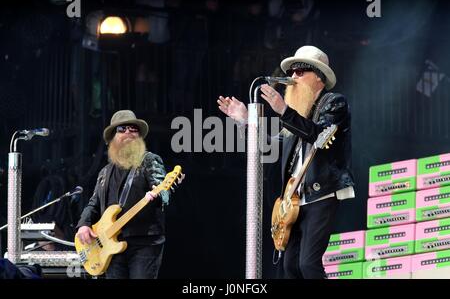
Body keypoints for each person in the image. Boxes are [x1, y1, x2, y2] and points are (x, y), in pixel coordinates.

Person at [217, 46, 354, 279]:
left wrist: (283, 110)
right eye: (291, 72)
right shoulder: (295, 115)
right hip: (294, 200)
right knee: (289, 268)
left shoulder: (334, 103)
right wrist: (245, 122)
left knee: (308, 265)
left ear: (318, 77)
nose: (292, 78)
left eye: (300, 72)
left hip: (321, 193)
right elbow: (269, 145)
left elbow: (320, 137)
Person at [76, 110, 183, 279]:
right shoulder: (105, 172)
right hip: (109, 245)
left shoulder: (149, 160)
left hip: (144, 243)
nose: (128, 132)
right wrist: (84, 224)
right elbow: (93, 204)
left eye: (133, 129)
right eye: (122, 129)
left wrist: (163, 193)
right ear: (112, 138)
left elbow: (163, 190)